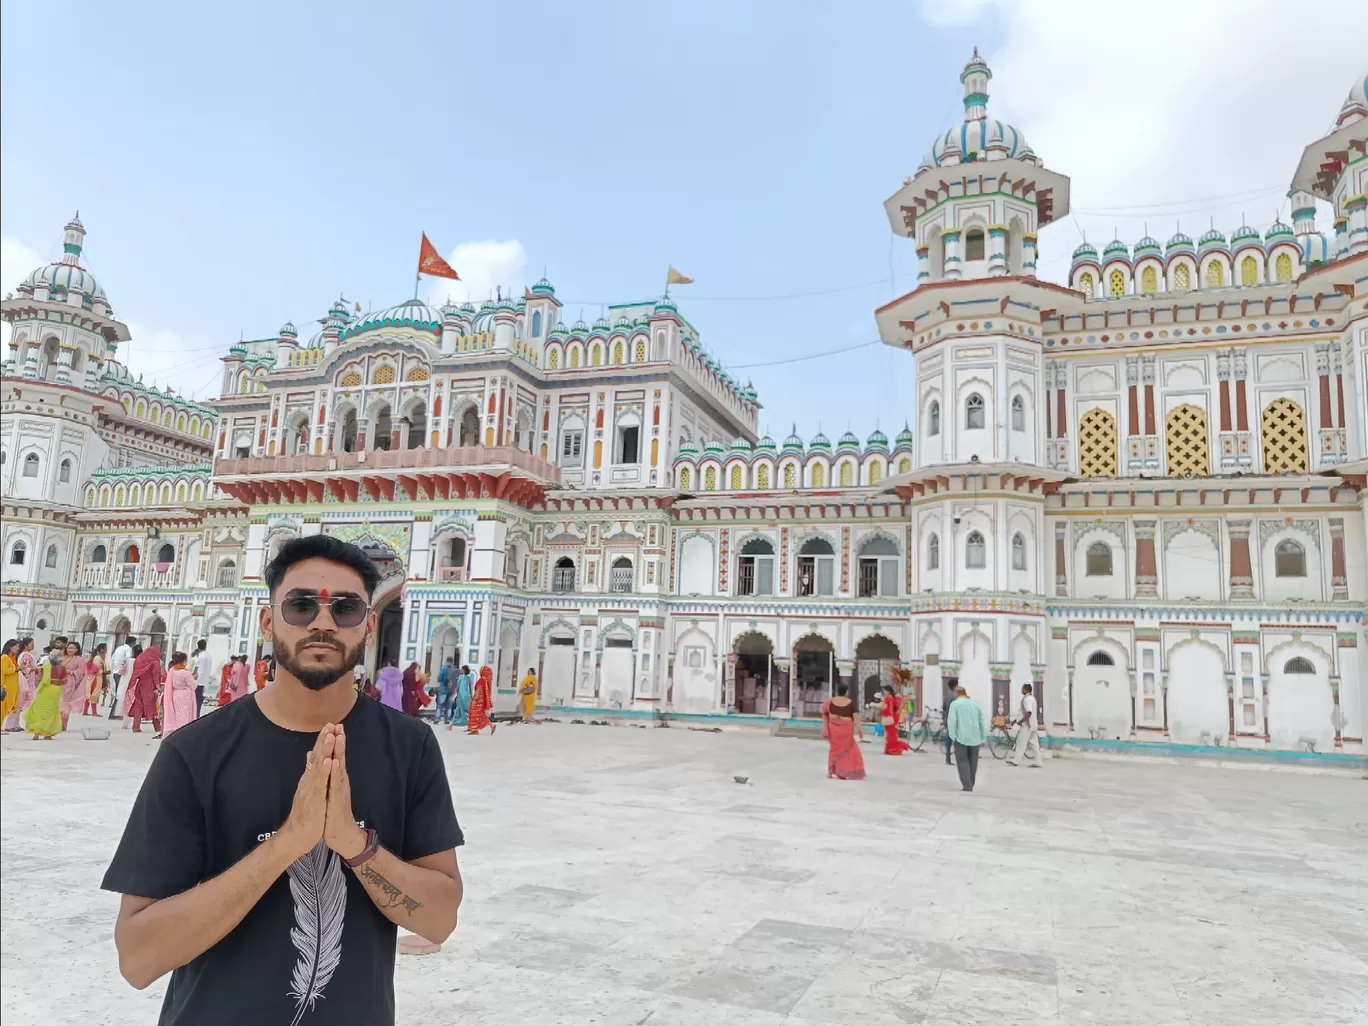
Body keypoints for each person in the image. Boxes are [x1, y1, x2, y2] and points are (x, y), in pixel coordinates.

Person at [102, 533, 463, 1025]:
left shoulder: (409, 747)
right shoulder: (194, 753)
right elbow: (138, 959)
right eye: (299, 605)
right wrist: (286, 844)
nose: (322, 622)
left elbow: (439, 920)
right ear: (269, 620)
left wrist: (353, 843)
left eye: (345, 608)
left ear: (369, 625)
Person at [820, 682, 865, 780]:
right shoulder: (849, 702)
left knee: (834, 749)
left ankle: (830, 772)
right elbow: (856, 717)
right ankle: (845, 770)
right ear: (846, 692)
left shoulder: (831, 701)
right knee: (847, 750)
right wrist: (860, 730)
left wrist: (825, 725)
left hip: (833, 728)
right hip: (846, 729)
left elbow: (823, 711)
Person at [947, 686, 987, 792]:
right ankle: (971, 783)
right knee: (973, 762)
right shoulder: (975, 704)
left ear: (957, 693)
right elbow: (981, 721)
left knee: (962, 761)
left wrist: (953, 736)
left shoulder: (955, 705)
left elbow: (952, 721)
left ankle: (967, 785)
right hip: (975, 738)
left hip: (961, 737)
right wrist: (983, 737)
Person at [25, 645, 63, 740]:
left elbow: (39, 679)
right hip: (56, 690)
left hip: (45, 690)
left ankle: (36, 733)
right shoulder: (62, 669)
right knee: (52, 711)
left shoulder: (44, 667)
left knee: (39, 710)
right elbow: (64, 681)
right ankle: (48, 734)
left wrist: (38, 688)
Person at [126, 643, 164, 735]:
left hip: (141, 685)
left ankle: (136, 726)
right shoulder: (155, 662)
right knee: (153, 706)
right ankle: (157, 727)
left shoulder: (142, 660)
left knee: (139, 705)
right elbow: (155, 676)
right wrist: (159, 687)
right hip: (150, 687)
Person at [160, 651, 199, 739]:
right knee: (184, 715)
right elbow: (193, 685)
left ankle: (176, 731)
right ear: (183, 661)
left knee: (177, 715)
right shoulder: (185, 673)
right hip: (185, 696)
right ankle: (184, 733)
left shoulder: (172, 671)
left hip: (175, 695)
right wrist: (195, 678)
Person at [1006, 682, 1043, 768]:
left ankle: (1016, 760)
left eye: (1022, 688)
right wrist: (1014, 721)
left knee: (1020, 742)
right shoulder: (1031, 698)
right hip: (1033, 724)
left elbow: (1028, 713)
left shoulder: (1027, 699)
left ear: (1026, 690)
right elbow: (1021, 713)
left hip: (1027, 725)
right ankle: (1039, 761)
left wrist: (1021, 721)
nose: (1021, 690)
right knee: (1034, 744)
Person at [8, 637, 39, 731]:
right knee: (19, 703)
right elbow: (24, 668)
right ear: (26, 645)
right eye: (31, 643)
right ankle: (11, 725)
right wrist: (35, 669)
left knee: (19, 703)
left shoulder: (24, 654)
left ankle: (15, 724)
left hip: (26, 680)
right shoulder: (26, 655)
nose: (33, 645)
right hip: (26, 681)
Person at [58, 641, 87, 732]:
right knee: (58, 703)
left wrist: (70, 672)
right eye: (69, 647)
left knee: (65, 703)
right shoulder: (63, 658)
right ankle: (55, 723)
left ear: (77, 650)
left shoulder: (79, 659)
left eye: (73, 648)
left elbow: (81, 672)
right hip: (58, 682)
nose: (70, 650)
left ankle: (63, 724)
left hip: (69, 682)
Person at [880, 684, 911, 755]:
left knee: (890, 734)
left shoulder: (888, 698)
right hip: (895, 716)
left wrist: (880, 707)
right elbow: (899, 707)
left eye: (884, 690)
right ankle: (893, 747)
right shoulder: (895, 698)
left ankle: (893, 748)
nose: (883, 692)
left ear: (888, 691)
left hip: (890, 717)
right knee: (893, 734)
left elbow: (885, 707)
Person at [109, 636, 135, 721]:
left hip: (115, 672)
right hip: (121, 673)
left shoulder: (119, 648)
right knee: (121, 694)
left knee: (118, 693)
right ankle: (116, 714)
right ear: (132, 643)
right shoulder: (128, 650)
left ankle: (113, 714)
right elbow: (128, 661)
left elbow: (112, 659)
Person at [466, 665, 495, 735]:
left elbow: (479, 690)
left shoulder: (481, 680)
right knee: (480, 715)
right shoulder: (486, 681)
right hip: (482, 701)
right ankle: (476, 729)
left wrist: (475, 700)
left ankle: (475, 729)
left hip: (478, 700)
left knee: (475, 714)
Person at [85, 642, 109, 717]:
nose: (107, 650)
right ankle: (94, 712)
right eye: (106, 648)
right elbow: (95, 669)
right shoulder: (98, 658)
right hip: (96, 678)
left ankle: (85, 711)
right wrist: (104, 672)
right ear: (102, 650)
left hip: (96, 677)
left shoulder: (99, 658)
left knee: (91, 693)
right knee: (95, 694)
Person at [1, 638, 19, 730]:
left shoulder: (12, 658)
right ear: (10, 647)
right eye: (16, 646)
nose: (17, 648)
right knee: (3, 707)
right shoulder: (4, 657)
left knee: (7, 707)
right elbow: (4, 670)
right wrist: (16, 669)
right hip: (6, 686)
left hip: (12, 686)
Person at [449, 664, 473, 731]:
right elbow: (470, 688)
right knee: (467, 712)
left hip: (461, 697)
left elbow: (458, 686)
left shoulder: (461, 677)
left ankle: (452, 725)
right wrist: (471, 695)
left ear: (464, 670)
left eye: (462, 669)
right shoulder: (469, 678)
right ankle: (469, 726)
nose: (461, 670)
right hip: (467, 696)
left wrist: (454, 693)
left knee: (459, 711)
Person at [192, 640, 212, 716]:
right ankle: (197, 715)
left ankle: (195, 716)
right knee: (199, 701)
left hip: (198, 682)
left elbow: (200, 671)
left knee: (196, 701)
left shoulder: (201, 656)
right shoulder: (209, 656)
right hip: (204, 681)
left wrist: (194, 682)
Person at [942, 678, 958, 766]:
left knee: (949, 740)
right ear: (955, 686)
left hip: (948, 720)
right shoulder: (955, 697)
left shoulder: (946, 696)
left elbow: (944, 708)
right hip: (955, 720)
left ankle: (948, 758)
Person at [435, 658, 453, 724]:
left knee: (440, 705)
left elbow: (439, 678)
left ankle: (437, 718)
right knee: (449, 706)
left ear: (446, 661)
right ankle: (448, 719)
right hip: (451, 690)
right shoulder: (454, 669)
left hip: (443, 690)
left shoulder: (444, 669)